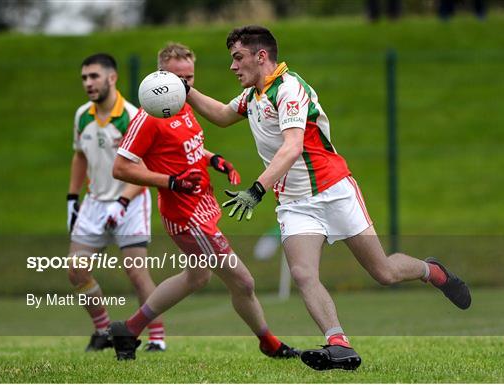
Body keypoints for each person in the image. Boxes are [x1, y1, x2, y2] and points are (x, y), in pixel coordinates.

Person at [183, 25, 472, 371]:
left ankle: (431, 271)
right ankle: (339, 343)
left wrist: (256, 189)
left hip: (333, 191)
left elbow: (291, 148)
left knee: (383, 272)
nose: (232, 66)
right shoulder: (252, 97)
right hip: (293, 202)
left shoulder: (289, 89)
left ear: (261, 57)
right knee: (304, 273)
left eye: (238, 57)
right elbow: (221, 114)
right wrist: (185, 91)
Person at [109, 42, 299, 361]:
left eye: (190, 78)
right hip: (187, 216)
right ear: (160, 76)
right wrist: (170, 182)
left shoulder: (180, 104)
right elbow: (121, 167)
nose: (185, 85)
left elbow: (186, 149)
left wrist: (214, 160)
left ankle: (128, 330)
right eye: (177, 78)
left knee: (196, 277)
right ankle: (270, 343)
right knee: (243, 281)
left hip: (202, 207)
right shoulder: (150, 114)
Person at [68, 53, 165, 352]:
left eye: (94, 76)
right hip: (95, 202)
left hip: (131, 201)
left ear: (112, 78)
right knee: (75, 269)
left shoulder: (133, 116)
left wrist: (122, 201)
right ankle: (103, 330)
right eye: (84, 77)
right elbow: (80, 156)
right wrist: (72, 199)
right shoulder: (82, 115)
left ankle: (157, 338)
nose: (88, 83)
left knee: (136, 272)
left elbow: (144, 168)